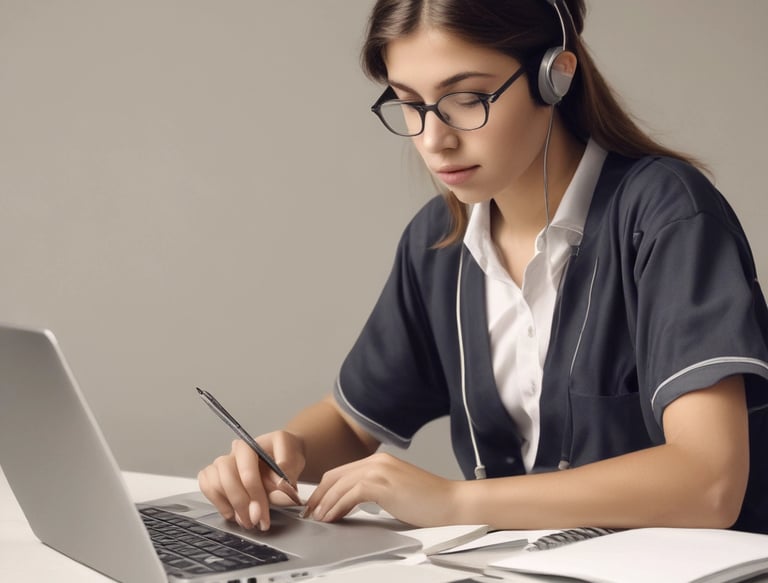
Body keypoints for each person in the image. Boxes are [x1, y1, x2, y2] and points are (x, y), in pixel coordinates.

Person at [198, 0, 768, 534]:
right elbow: (352, 423)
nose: (434, 139)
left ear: (556, 77)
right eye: (409, 103)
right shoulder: (439, 241)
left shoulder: (666, 216)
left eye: (466, 99)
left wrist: (454, 504)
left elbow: (708, 483)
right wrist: (281, 453)